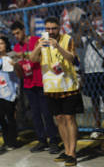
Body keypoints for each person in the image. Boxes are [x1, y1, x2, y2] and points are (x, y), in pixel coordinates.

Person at [31, 16, 82, 167]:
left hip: (68, 86)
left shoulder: (67, 39)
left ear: (59, 28)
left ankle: (72, 153)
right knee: (59, 119)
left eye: (53, 28)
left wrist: (58, 46)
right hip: (51, 88)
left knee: (69, 119)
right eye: (48, 29)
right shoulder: (40, 41)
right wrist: (39, 47)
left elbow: (72, 58)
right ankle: (66, 150)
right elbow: (33, 59)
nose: (51, 31)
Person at [11, 21, 60, 154]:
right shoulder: (16, 48)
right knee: (35, 114)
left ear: (23, 30)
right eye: (14, 34)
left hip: (41, 82)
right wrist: (15, 65)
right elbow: (20, 73)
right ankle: (41, 140)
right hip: (28, 83)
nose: (16, 36)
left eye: (18, 32)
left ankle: (54, 140)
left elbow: (42, 58)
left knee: (47, 113)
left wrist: (27, 55)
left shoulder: (36, 40)